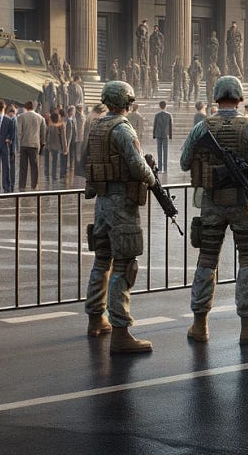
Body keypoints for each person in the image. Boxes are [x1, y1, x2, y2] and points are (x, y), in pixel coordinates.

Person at [179, 76, 248, 344]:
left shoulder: (203, 127)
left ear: (216, 96)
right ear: (240, 98)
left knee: (207, 260)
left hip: (211, 204)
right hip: (243, 206)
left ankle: (199, 325)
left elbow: (184, 162)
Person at [81, 81, 161, 353]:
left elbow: (87, 164)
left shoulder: (96, 126)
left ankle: (96, 319)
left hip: (102, 203)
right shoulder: (123, 128)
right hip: (122, 206)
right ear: (128, 102)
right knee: (125, 265)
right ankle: (121, 332)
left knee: (102, 261)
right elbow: (138, 166)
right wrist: (152, 180)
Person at [17, 100, 45, 191]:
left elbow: (19, 132)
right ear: (34, 107)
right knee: (34, 166)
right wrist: (42, 144)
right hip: (35, 145)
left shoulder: (21, 117)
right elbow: (43, 133)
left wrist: (18, 145)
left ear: (26, 107)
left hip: (24, 144)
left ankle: (22, 185)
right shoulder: (40, 118)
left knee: (23, 166)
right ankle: (34, 184)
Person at [152, 100, 174, 173]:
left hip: (158, 134)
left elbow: (154, 125)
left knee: (159, 150)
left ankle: (160, 168)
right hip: (165, 135)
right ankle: (165, 168)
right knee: (165, 151)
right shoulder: (169, 115)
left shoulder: (157, 115)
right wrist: (170, 136)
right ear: (165, 106)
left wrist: (154, 134)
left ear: (159, 106)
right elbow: (170, 126)